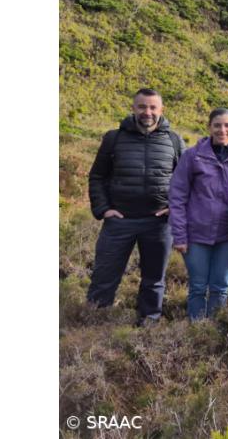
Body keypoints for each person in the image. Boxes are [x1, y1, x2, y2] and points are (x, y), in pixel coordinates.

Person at [87, 88, 184, 325]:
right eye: (142, 106)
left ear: (161, 110)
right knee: (104, 275)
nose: (147, 112)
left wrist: (174, 207)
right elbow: (97, 176)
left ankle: (149, 320)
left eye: (152, 107)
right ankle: (94, 320)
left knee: (154, 278)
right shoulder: (114, 138)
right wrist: (103, 209)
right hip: (119, 221)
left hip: (159, 222)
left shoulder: (174, 140)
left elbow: (186, 181)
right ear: (133, 108)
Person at [168, 108, 228, 320]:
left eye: (226, 125)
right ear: (209, 127)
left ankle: (215, 332)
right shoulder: (192, 156)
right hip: (196, 234)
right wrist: (179, 235)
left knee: (220, 287)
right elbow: (177, 196)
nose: (222, 130)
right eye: (217, 125)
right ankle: (196, 330)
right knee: (197, 286)